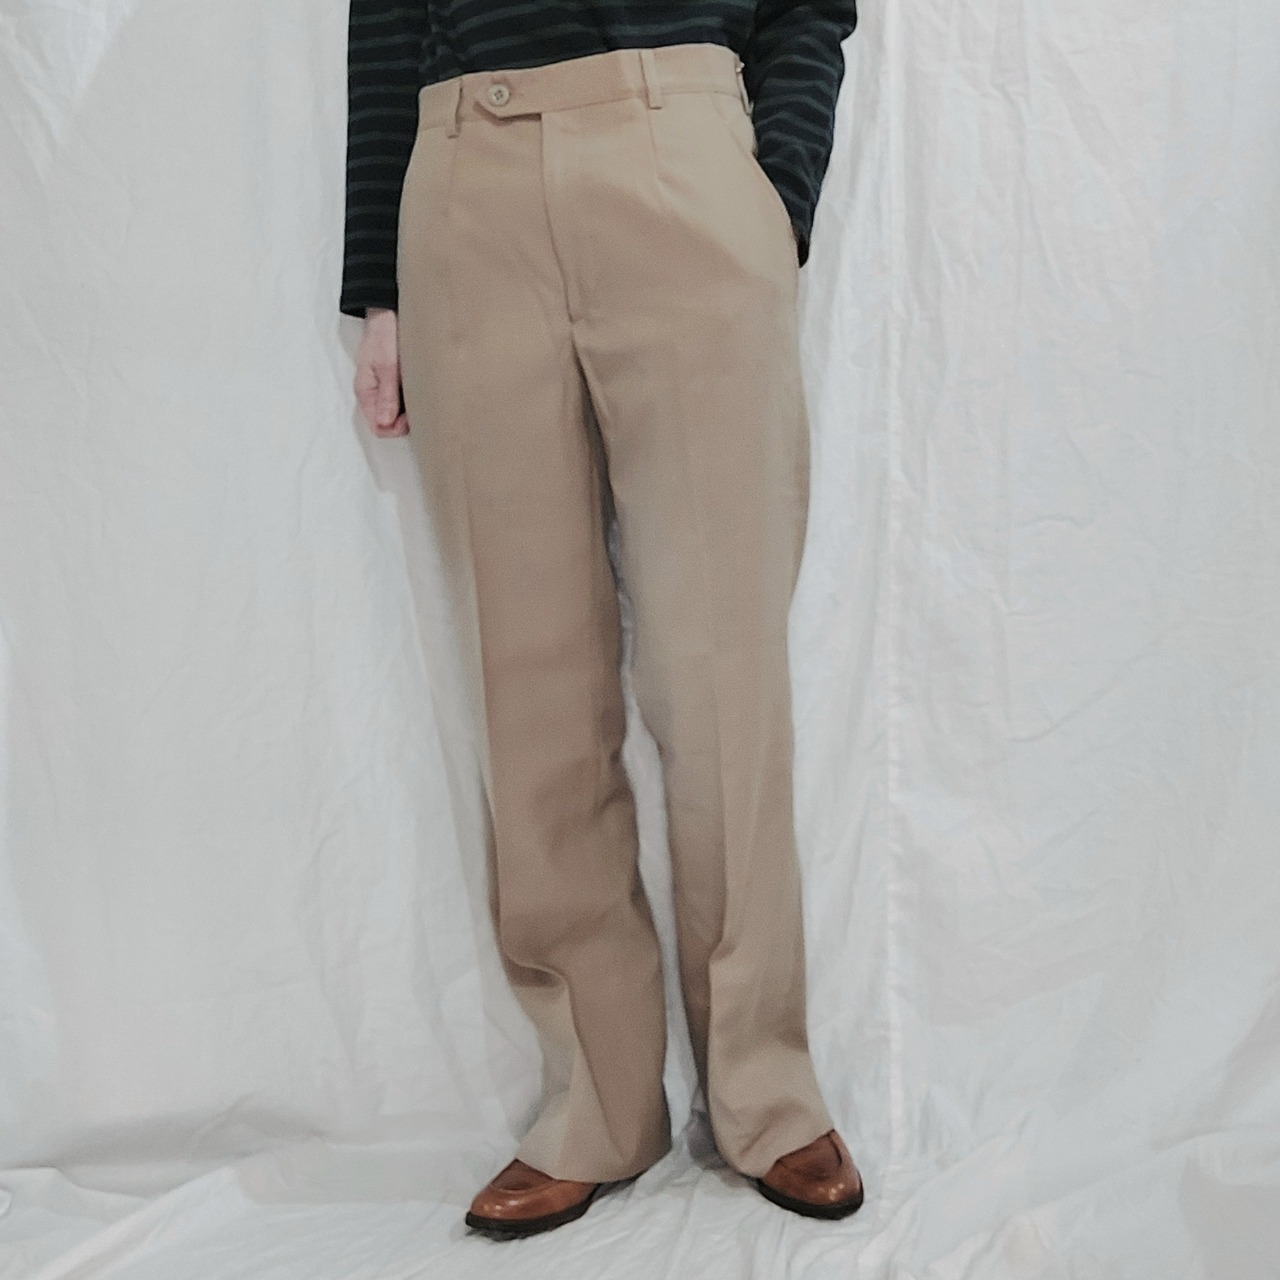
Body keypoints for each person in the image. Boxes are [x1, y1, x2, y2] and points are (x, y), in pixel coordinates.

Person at [340, 1, 864, 1239]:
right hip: (465, 176)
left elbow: (807, 11)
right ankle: (593, 1099)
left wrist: (771, 203)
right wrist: (378, 286)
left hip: (680, 152)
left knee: (718, 674)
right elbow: (386, 19)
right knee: (527, 681)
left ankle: (764, 1089)